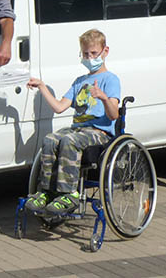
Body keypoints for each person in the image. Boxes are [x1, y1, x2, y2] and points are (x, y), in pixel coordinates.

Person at [24, 29, 120, 214]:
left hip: (99, 132)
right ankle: (47, 192)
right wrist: (42, 86)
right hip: (79, 129)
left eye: (93, 53)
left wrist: (103, 97)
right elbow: (59, 107)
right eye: (85, 54)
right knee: (50, 139)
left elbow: (114, 114)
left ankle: (70, 193)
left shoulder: (111, 79)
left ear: (105, 51)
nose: (89, 57)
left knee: (69, 141)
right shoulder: (79, 81)